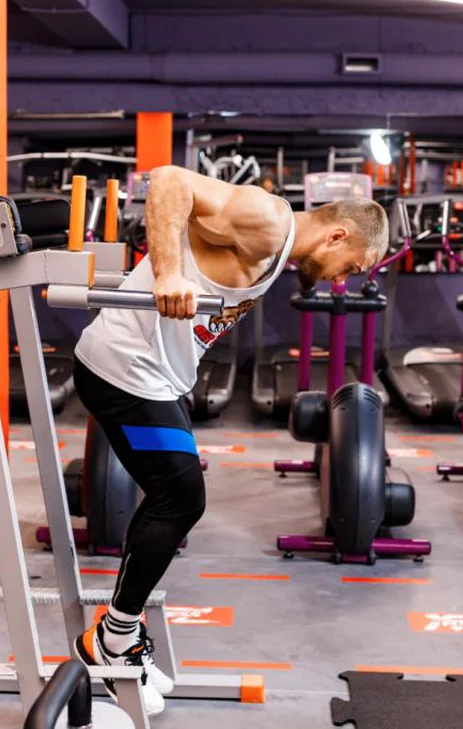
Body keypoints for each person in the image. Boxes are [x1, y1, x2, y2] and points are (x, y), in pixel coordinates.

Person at [71, 165, 388, 714]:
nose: (342, 280)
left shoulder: (275, 249)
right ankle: (113, 638)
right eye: (351, 266)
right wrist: (168, 274)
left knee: (176, 497)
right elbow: (169, 182)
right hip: (123, 371)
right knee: (180, 498)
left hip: (154, 378)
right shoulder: (268, 220)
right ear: (337, 235)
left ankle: (122, 632)